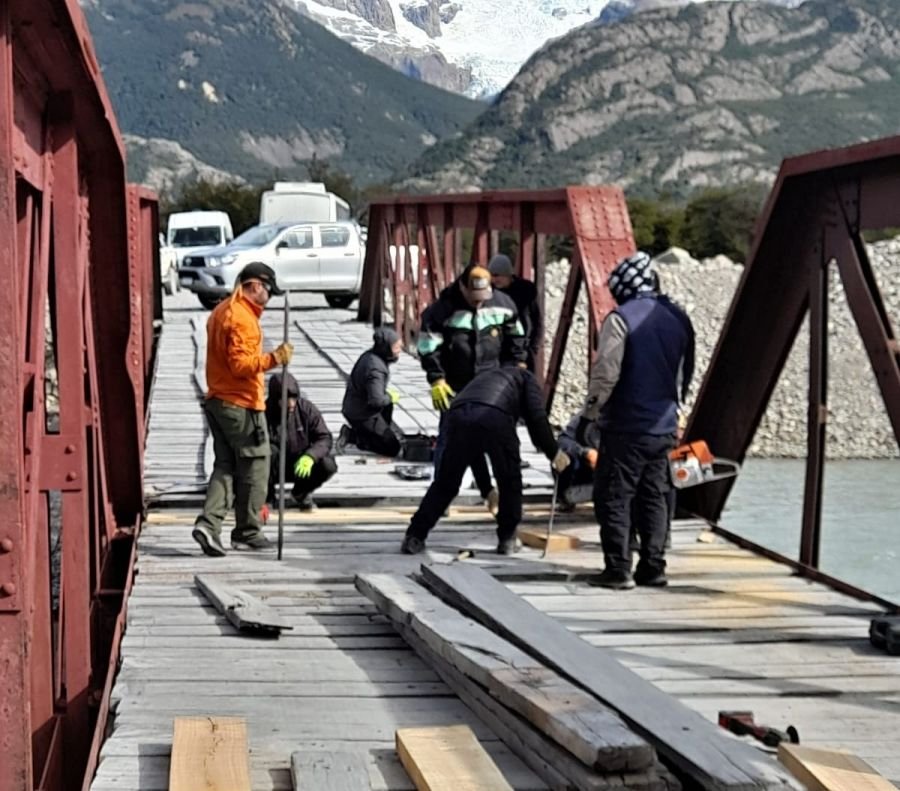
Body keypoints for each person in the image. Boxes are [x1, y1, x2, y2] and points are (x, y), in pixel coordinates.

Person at [578, 251, 694, 589]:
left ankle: (618, 570)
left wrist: (589, 415)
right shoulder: (679, 317)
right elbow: (686, 372)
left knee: (615, 495)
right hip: (663, 427)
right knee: (654, 496)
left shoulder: (620, 319)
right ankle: (653, 567)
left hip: (625, 426)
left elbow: (606, 373)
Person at [401, 366, 570, 556]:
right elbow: (537, 419)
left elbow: (473, 451)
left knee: (445, 483)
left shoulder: (487, 377)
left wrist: (487, 490)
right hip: (495, 416)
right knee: (509, 480)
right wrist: (554, 453)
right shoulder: (528, 380)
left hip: (457, 415)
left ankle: (415, 536)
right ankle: (507, 539)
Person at [192, 262, 294, 556]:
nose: (269, 298)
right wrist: (275, 358)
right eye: (268, 291)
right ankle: (247, 531)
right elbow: (240, 366)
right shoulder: (242, 319)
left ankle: (209, 525)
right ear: (256, 286)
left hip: (217, 399)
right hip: (240, 404)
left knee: (226, 465)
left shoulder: (222, 310)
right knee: (256, 464)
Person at [417, 263, 527, 512]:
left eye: (483, 296)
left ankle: (498, 494)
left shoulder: (504, 305)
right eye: (474, 297)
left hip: (492, 384)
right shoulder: (442, 310)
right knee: (451, 439)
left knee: (495, 440)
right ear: (463, 287)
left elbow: (517, 338)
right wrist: (437, 379)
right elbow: (428, 347)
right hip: (455, 384)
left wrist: (516, 370)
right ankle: (442, 497)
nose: (479, 302)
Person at [265, 371, 336, 512]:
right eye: (285, 400)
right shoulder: (264, 412)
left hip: (300, 463)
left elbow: (324, 438)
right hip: (274, 467)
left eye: (294, 399)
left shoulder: (307, 410)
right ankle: (267, 498)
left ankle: (300, 493)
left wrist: (311, 456)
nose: (291, 404)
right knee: (265, 454)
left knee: (327, 464)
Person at [339, 327, 404, 457]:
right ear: (386, 348)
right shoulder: (375, 369)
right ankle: (353, 436)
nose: (399, 351)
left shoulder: (371, 355)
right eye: (396, 348)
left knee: (388, 405)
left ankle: (374, 435)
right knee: (393, 448)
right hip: (361, 413)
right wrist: (390, 397)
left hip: (356, 405)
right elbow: (376, 401)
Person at [488, 253, 543, 372]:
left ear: (507, 274)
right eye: (491, 275)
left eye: (497, 275)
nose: (494, 279)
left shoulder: (525, 290)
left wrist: (534, 347)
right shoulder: (488, 292)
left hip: (523, 350)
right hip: (498, 352)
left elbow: (536, 319)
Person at [556, 412, 602, 510]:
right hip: (585, 470)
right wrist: (585, 452)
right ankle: (565, 496)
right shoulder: (584, 418)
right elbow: (563, 440)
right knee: (564, 456)